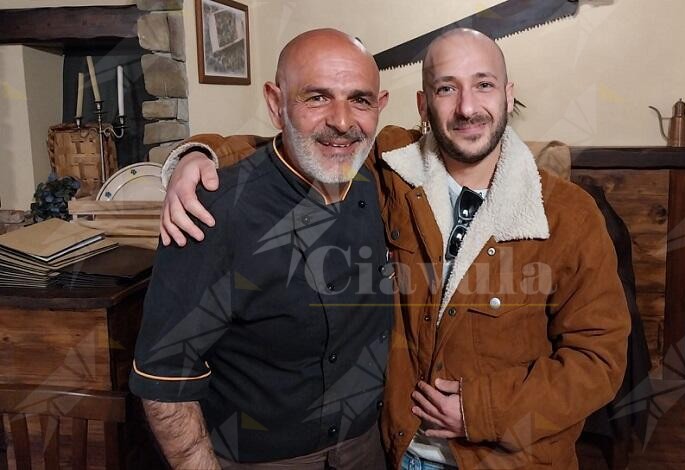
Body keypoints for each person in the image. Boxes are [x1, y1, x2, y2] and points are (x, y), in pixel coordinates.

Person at [159, 28, 630, 469]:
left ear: (508, 94)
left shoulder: (569, 215)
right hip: (394, 452)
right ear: (423, 105)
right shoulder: (391, 169)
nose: (467, 108)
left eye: (483, 85)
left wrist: (482, 410)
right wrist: (200, 157)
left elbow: (600, 360)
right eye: (447, 89)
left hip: (512, 459)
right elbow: (296, 140)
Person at [129, 29, 394, 469]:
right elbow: (165, 380)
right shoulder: (211, 212)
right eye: (317, 98)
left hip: (368, 450)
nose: (343, 121)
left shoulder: (386, 182)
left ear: (379, 107)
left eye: (360, 100)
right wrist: (193, 155)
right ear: (276, 104)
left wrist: (198, 148)